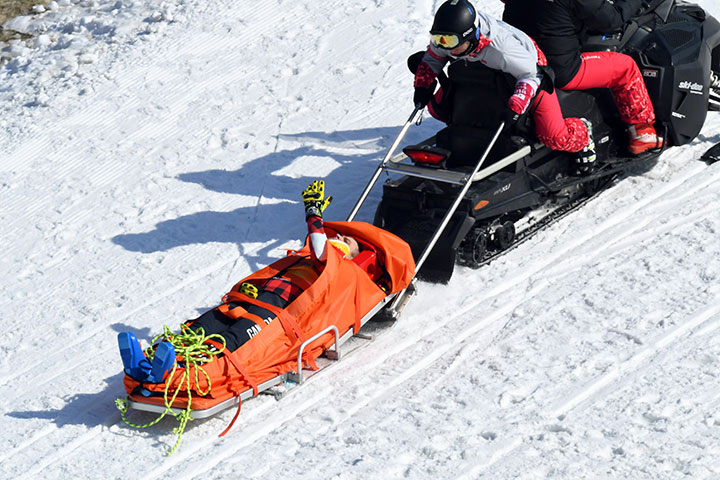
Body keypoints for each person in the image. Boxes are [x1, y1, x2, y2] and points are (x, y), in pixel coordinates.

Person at [118, 180, 364, 384]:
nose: (340, 237)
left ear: (351, 256)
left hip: (280, 308)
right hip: (256, 297)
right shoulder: (303, 258)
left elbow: (321, 249)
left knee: (234, 338)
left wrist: (313, 213)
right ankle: (148, 361)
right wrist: (253, 288)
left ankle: (179, 369)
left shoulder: (340, 267)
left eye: (347, 241)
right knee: (207, 323)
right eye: (341, 235)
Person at [413, 0, 597, 173]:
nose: (445, 47)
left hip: (531, 71)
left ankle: (583, 135)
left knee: (554, 135)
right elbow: (434, 57)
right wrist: (423, 84)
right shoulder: (448, 38)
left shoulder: (503, 49)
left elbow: (531, 75)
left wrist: (516, 106)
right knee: (438, 107)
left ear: (471, 35)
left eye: (450, 42)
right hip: (484, 71)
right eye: (438, 39)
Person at [502, 0, 663, 155]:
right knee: (625, 67)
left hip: (519, 63)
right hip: (562, 69)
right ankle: (642, 131)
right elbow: (611, 19)